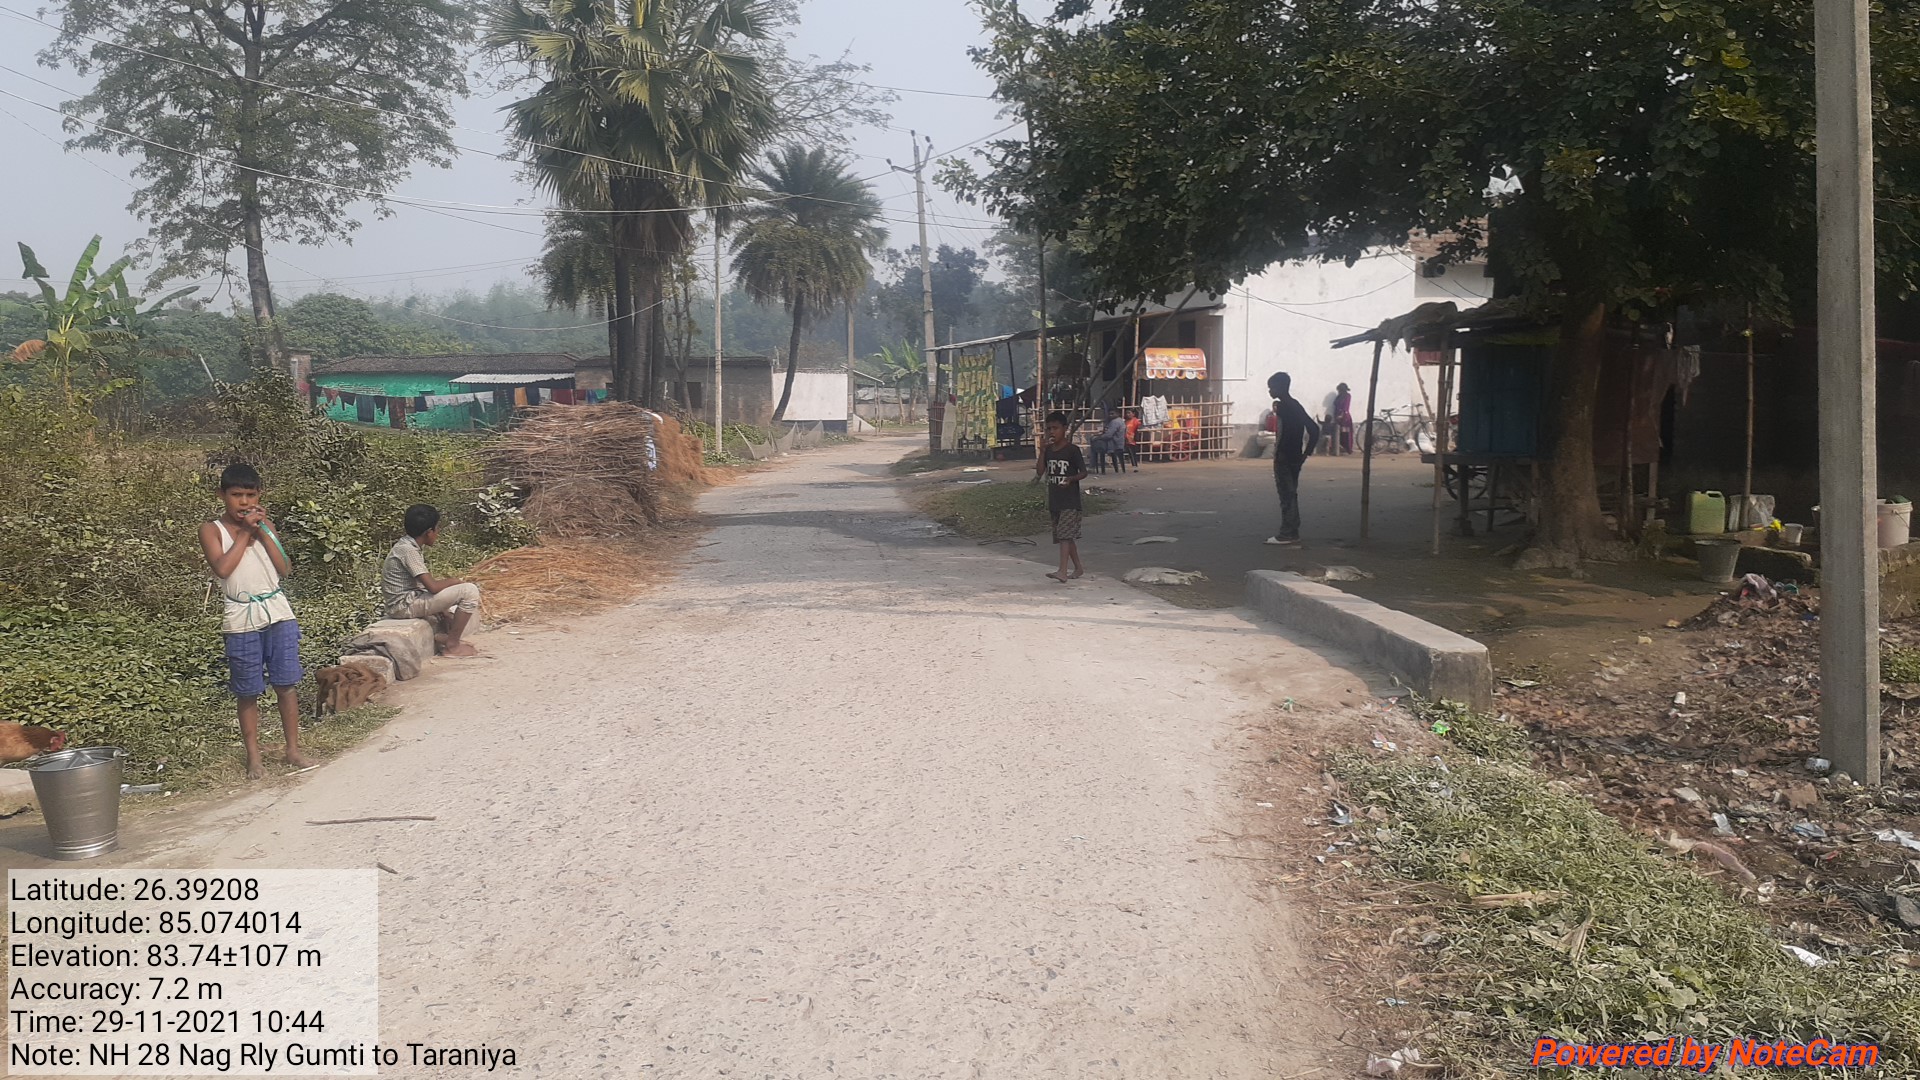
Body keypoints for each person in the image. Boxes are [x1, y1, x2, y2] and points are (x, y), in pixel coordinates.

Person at [199, 463, 313, 780]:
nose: (244, 502)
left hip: (278, 612)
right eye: (237, 495)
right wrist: (246, 533)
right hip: (241, 617)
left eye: (250, 495)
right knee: (247, 690)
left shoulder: (266, 527)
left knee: (286, 683)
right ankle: (254, 756)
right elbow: (223, 569)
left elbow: (284, 568)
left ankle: (292, 749)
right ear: (222, 495)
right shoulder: (212, 530)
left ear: (259, 495)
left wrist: (263, 532)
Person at [382, 504, 484, 657]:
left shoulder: (406, 545)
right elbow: (433, 587)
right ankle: (452, 646)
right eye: (437, 529)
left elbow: (421, 585)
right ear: (429, 532)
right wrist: (455, 581)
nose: (438, 533)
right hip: (403, 606)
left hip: (406, 601)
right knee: (469, 591)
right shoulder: (409, 551)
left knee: (455, 599)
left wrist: (443, 610)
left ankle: (446, 638)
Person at [1265, 372, 1322, 546]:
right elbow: (1314, 429)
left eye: (1272, 388)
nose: (1270, 391)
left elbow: (1284, 434)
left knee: (1286, 495)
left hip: (1284, 456)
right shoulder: (1295, 405)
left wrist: (1280, 453)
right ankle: (1292, 531)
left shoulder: (1283, 407)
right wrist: (1306, 453)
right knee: (1291, 493)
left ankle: (1287, 533)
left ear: (1280, 387)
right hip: (1296, 456)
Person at [1037, 411, 1088, 582]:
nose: (1052, 432)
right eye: (1049, 429)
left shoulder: (1072, 450)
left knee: (1065, 536)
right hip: (1055, 500)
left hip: (1070, 500)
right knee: (1064, 537)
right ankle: (1078, 568)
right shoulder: (1049, 451)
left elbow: (1083, 472)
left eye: (1055, 428)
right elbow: (1040, 471)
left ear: (1064, 429)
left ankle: (1062, 571)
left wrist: (1071, 479)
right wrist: (1042, 452)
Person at [1334, 382, 1355, 455]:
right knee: (1340, 433)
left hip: (1344, 417)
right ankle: (1341, 448)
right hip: (1338, 416)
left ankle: (1348, 448)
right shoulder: (1338, 397)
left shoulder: (1347, 396)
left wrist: (1342, 415)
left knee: (1346, 433)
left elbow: (1346, 407)